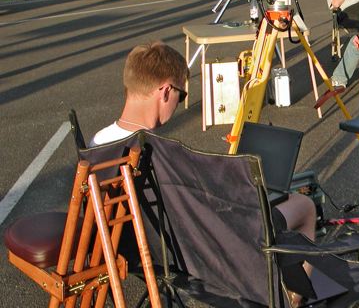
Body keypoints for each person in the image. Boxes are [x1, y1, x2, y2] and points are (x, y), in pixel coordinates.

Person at [89, 42, 318, 298]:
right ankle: (292, 301)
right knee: (304, 206)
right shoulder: (164, 155)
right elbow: (209, 218)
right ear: (165, 91)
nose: (178, 103)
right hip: (200, 254)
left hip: (133, 250)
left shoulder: (96, 145)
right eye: (181, 95)